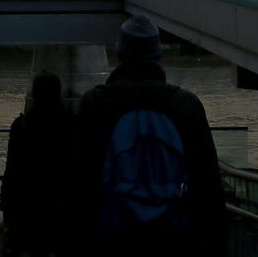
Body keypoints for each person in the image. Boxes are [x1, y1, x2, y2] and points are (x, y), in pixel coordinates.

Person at [78, 15, 226, 257]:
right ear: (158, 55)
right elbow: (208, 188)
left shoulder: (96, 104)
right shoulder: (186, 106)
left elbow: (82, 185)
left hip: (113, 239)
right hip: (173, 239)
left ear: (119, 54)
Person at [0, 71, 78, 257]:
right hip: (61, 207)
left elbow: (12, 169)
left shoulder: (21, 126)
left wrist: (7, 206)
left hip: (28, 207)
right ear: (58, 93)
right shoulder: (72, 124)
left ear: (34, 94)